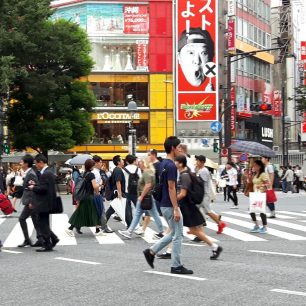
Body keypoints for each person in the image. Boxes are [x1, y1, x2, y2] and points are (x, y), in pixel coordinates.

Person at [143, 136, 193, 275]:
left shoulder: (163, 163)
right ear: (172, 148)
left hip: (163, 203)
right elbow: (171, 188)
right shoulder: (171, 166)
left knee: (173, 233)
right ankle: (176, 265)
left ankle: (151, 251)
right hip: (170, 204)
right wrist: (176, 208)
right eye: (178, 147)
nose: (180, 150)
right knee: (178, 235)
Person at [175, 155, 222, 259]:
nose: (174, 164)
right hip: (187, 205)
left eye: (176, 162)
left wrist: (174, 200)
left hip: (187, 205)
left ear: (181, 164)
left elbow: (183, 193)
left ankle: (157, 251)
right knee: (191, 230)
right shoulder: (188, 173)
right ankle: (214, 247)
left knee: (181, 229)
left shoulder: (185, 175)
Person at [118, 157, 164, 239]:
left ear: (144, 163)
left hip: (145, 197)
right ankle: (161, 232)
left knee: (139, 214)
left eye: (140, 162)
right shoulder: (149, 172)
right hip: (147, 196)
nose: (139, 163)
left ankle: (129, 232)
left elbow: (148, 185)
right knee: (150, 214)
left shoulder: (147, 172)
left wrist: (141, 196)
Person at [28, 154, 59, 252]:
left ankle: (47, 244)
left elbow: (43, 189)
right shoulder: (49, 172)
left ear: (41, 162)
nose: (35, 165)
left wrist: (34, 187)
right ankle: (53, 239)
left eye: (36, 163)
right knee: (44, 222)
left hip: (44, 202)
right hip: (48, 201)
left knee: (42, 223)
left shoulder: (45, 173)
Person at [66, 159, 101, 236]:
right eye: (93, 164)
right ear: (91, 166)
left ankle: (98, 230)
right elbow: (95, 186)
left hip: (84, 196)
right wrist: (101, 184)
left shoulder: (84, 174)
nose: (94, 166)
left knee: (84, 212)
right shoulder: (91, 175)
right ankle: (70, 229)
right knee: (91, 212)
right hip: (89, 197)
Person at [196, 155, 227, 234]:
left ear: (202, 162)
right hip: (203, 194)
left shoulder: (204, 171)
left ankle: (220, 223)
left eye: (198, 161)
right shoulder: (201, 170)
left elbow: (200, 183)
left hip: (204, 194)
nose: (196, 162)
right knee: (203, 211)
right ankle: (219, 223)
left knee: (207, 211)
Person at [18, 154, 43, 248]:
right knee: (35, 219)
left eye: (21, 162)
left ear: (26, 163)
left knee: (22, 218)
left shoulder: (31, 174)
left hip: (31, 201)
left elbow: (33, 189)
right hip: (30, 201)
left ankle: (27, 239)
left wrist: (31, 202)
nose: (20, 163)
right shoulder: (28, 173)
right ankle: (40, 238)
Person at [91, 155, 113, 234]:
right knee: (101, 211)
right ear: (96, 163)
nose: (101, 164)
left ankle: (99, 228)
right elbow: (95, 186)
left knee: (97, 212)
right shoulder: (95, 173)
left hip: (94, 194)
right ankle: (104, 227)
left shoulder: (95, 172)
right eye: (100, 162)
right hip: (96, 194)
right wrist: (100, 186)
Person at [249, 160, 269, 234]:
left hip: (261, 194)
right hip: (255, 194)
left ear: (259, 166)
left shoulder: (263, 174)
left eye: (255, 165)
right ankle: (256, 225)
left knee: (261, 211)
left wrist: (260, 185)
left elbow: (268, 184)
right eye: (253, 165)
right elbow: (253, 182)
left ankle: (264, 227)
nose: (253, 167)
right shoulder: (256, 174)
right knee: (251, 210)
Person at [105, 155, 126, 223]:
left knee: (113, 209)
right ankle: (101, 224)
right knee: (112, 209)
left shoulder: (118, 169)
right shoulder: (117, 170)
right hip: (117, 193)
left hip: (117, 192)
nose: (123, 161)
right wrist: (119, 193)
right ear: (118, 162)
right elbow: (118, 182)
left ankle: (129, 225)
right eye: (121, 160)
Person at [123, 154, 142, 228]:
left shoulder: (124, 169)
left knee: (128, 208)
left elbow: (123, 181)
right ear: (134, 161)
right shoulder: (138, 169)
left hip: (127, 190)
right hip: (136, 191)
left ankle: (130, 224)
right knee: (138, 207)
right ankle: (138, 223)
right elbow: (140, 180)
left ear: (127, 161)